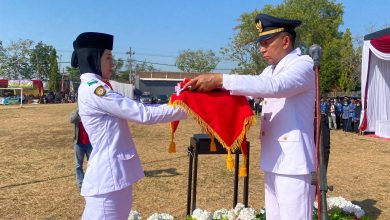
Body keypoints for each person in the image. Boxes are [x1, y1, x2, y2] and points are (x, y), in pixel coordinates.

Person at [184, 14, 316, 220]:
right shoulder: (270, 70)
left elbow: (276, 87)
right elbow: (242, 94)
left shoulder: (304, 64)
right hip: (273, 159)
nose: (261, 49)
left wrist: (221, 78)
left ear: (286, 41)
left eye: (266, 43)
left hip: (294, 163)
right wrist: (196, 95)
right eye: (260, 44)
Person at [71, 32, 187, 220]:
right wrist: (187, 107)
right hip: (108, 181)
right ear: (94, 58)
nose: (113, 63)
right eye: (108, 58)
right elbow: (143, 114)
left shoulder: (98, 86)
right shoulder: (94, 89)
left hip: (114, 178)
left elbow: (140, 108)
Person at [70, 106, 93, 191]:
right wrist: (78, 111)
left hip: (91, 143)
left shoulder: (91, 112)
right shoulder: (76, 112)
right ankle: (81, 185)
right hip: (78, 143)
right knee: (78, 165)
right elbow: (71, 120)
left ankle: (91, 183)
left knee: (92, 165)